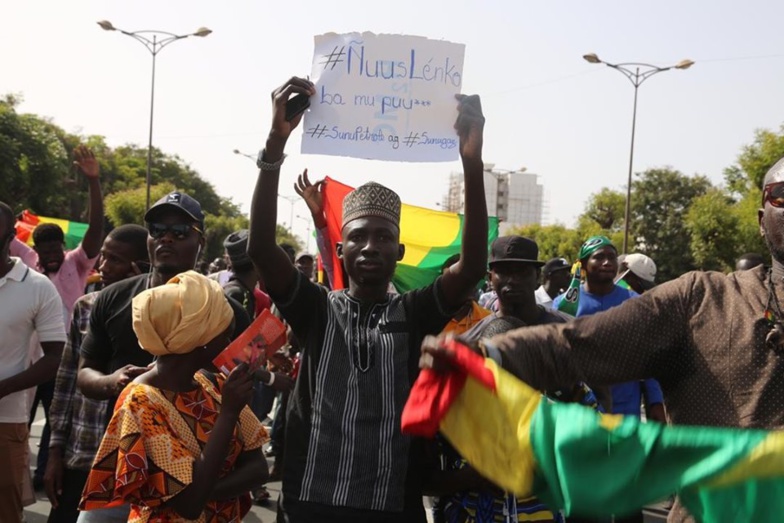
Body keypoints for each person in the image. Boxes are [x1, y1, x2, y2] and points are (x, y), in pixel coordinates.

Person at [422, 158, 784, 522]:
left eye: (612, 258)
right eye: (781, 194)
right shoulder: (700, 300)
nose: (607, 265)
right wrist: (488, 356)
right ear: (761, 217)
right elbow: (582, 345)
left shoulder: (623, 298)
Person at [247, 76, 488, 523]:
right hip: (311, 502)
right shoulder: (316, 308)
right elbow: (261, 249)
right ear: (340, 250)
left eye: (383, 238)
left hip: (392, 503)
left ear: (399, 252)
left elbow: (472, 267)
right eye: (358, 236)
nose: (371, 247)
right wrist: (275, 143)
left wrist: (470, 162)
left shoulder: (416, 311)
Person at [76, 192, 250, 521]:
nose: (166, 237)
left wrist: (192, 490)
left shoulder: (228, 315)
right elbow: (84, 373)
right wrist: (115, 382)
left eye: (180, 230)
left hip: (202, 478)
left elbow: (241, 395)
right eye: (157, 229)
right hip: (124, 471)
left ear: (202, 239)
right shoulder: (112, 298)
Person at [79, 271, 269, 521]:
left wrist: (203, 490)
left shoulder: (213, 384)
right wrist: (229, 413)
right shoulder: (141, 403)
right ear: (200, 340)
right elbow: (188, 506)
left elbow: (258, 469)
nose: (230, 342)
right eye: (224, 334)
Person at [44, 225, 149, 523]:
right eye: (103, 257)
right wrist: (54, 452)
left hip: (131, 460)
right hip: (82, 453)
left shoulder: (161, 315)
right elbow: (65, 386)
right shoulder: (86, 307)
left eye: (114, 260)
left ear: (140, 266)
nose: (103, 266)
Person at [0, 201, 66, 522]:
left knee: (6, 511)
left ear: (11, 236)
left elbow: (55, 355)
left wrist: (4, 388)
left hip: (7, 421)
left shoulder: (37, 286)